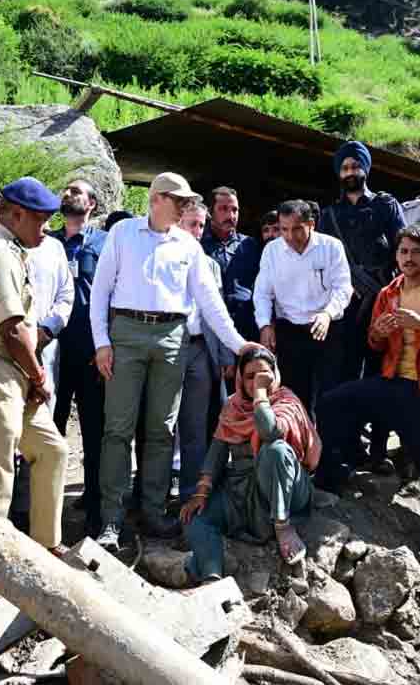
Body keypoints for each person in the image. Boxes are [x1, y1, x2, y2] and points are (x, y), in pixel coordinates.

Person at [89, 172, 253, 553]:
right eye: (179, 202)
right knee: (118, 430)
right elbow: (100, 291)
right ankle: (111, 519)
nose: (184, 208)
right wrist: (102, 343)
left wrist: (239, 344)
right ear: (157, 199)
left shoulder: (188, 245)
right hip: (126, 332)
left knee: (162, 430)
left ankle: (152, 512)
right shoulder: (123, 233)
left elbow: (210, 301)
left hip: (172, 337)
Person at [0, 177, 69, 612]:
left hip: (10, 368)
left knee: (52, 450)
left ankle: (45, 549)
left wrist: (30, 375)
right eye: (39, 219)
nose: (45, 228)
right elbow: (12, 328)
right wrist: (38, 375)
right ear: (15, 214)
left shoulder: (13, 249)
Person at [317, 227, 420, 563]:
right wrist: (378, 333)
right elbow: (374, 342)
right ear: (396, 257)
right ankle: (329, 481)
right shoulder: (389, 291)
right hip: (392, 381)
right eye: (403, 252)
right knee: (332, 403)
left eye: (415, 251)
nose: (409, 258)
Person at [179, 347, 319, 584]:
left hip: (283, 489)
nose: (256, 382)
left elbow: (270, 431)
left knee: (274, 450)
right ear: (240, 379)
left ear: (275, 374)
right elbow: (218, 450)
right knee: (195, 518)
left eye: (263, 375)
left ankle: (282, 525)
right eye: (250, 377)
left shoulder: (287, 401)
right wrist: (201, 492)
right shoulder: (233, 407)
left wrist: (261, 395)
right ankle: (211, 576)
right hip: (242, 490)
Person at [319, 141, 405, 477]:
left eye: (356, 166)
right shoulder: (329, 215)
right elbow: (323, 261)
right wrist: (346, 284)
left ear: (366, 169)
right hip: (345, 308)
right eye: (345, 167)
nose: (350, 172)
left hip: (383, 303)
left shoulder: (386, 205)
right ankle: (347, 447)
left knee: (382, 375)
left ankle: (379, 450)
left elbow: (402, 248)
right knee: (345, 377)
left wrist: (387, 288)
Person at [253, 199, 351, 425]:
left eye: (296, 229)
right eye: (284, 229)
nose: (289, 236)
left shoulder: (331, 246)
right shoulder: (272, 251)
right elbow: (262, 293)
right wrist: (265, 325)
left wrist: (327, 314)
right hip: (290, 331)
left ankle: (329, 445)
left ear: (311, 224)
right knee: (295, 397)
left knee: (329, 396)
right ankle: (301, 444)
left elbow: (343, 288)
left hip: (326, 329)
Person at [9, 213, 74, 532]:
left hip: (45, 347)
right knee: (6, 429)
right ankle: (5, 510)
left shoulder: (55, 249)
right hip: (6, 347)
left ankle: (29, 510)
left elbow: (66, 295)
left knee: (41, 426)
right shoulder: (1, 245)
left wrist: (48, 329)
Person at [50, 180, 108, 533]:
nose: (69, 194)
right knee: (50, 428)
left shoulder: (104, 243)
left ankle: (95, 506)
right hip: (53, 350)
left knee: (94, 430)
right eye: (67, 190)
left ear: (92, 203)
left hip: (89, 351)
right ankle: (46, 506)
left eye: (77, 191)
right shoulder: (48, 242)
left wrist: (105, 347)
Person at [176, 199, 235, 505]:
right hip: (168, 347)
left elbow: (218, 313)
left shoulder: (211, 265)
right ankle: (151, 494)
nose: (197, 231)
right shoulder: (161, 257)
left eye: (201, 225)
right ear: (178, 223)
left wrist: (225, 356)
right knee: (159, 426)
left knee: (195, 427)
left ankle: (190, 495)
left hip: (201, 348)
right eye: (192, 224)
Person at [201, 186, 261, 344]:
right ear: (210, 212)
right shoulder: (197, 245)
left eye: (235, 210)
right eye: (223, 209)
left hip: (246, 326)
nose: (231, 215)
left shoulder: (249, 244)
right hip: (210, 327)